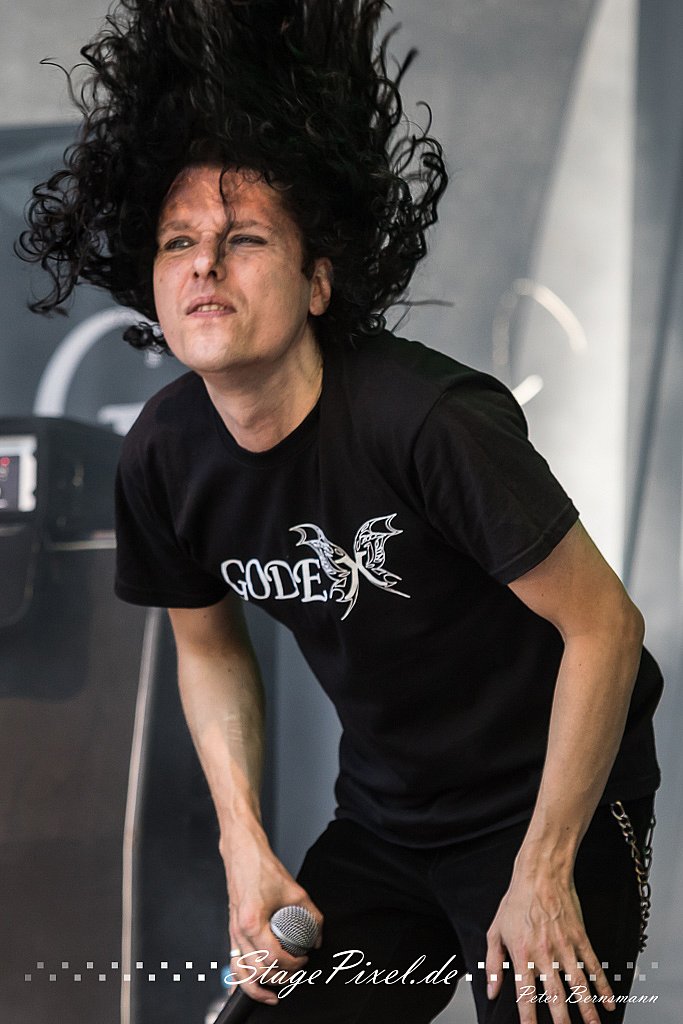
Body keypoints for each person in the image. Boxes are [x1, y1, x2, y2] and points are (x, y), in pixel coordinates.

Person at [20, 2, 662, 1022]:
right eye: (178, 241)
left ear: (318, 280)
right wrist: (243, 843)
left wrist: (542, 869)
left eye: (242, 238)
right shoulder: (164, 455)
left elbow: (605, 627)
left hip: (549, 803)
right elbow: (207, 650)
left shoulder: (425, 421)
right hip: (386, 820)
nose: (203, 263)